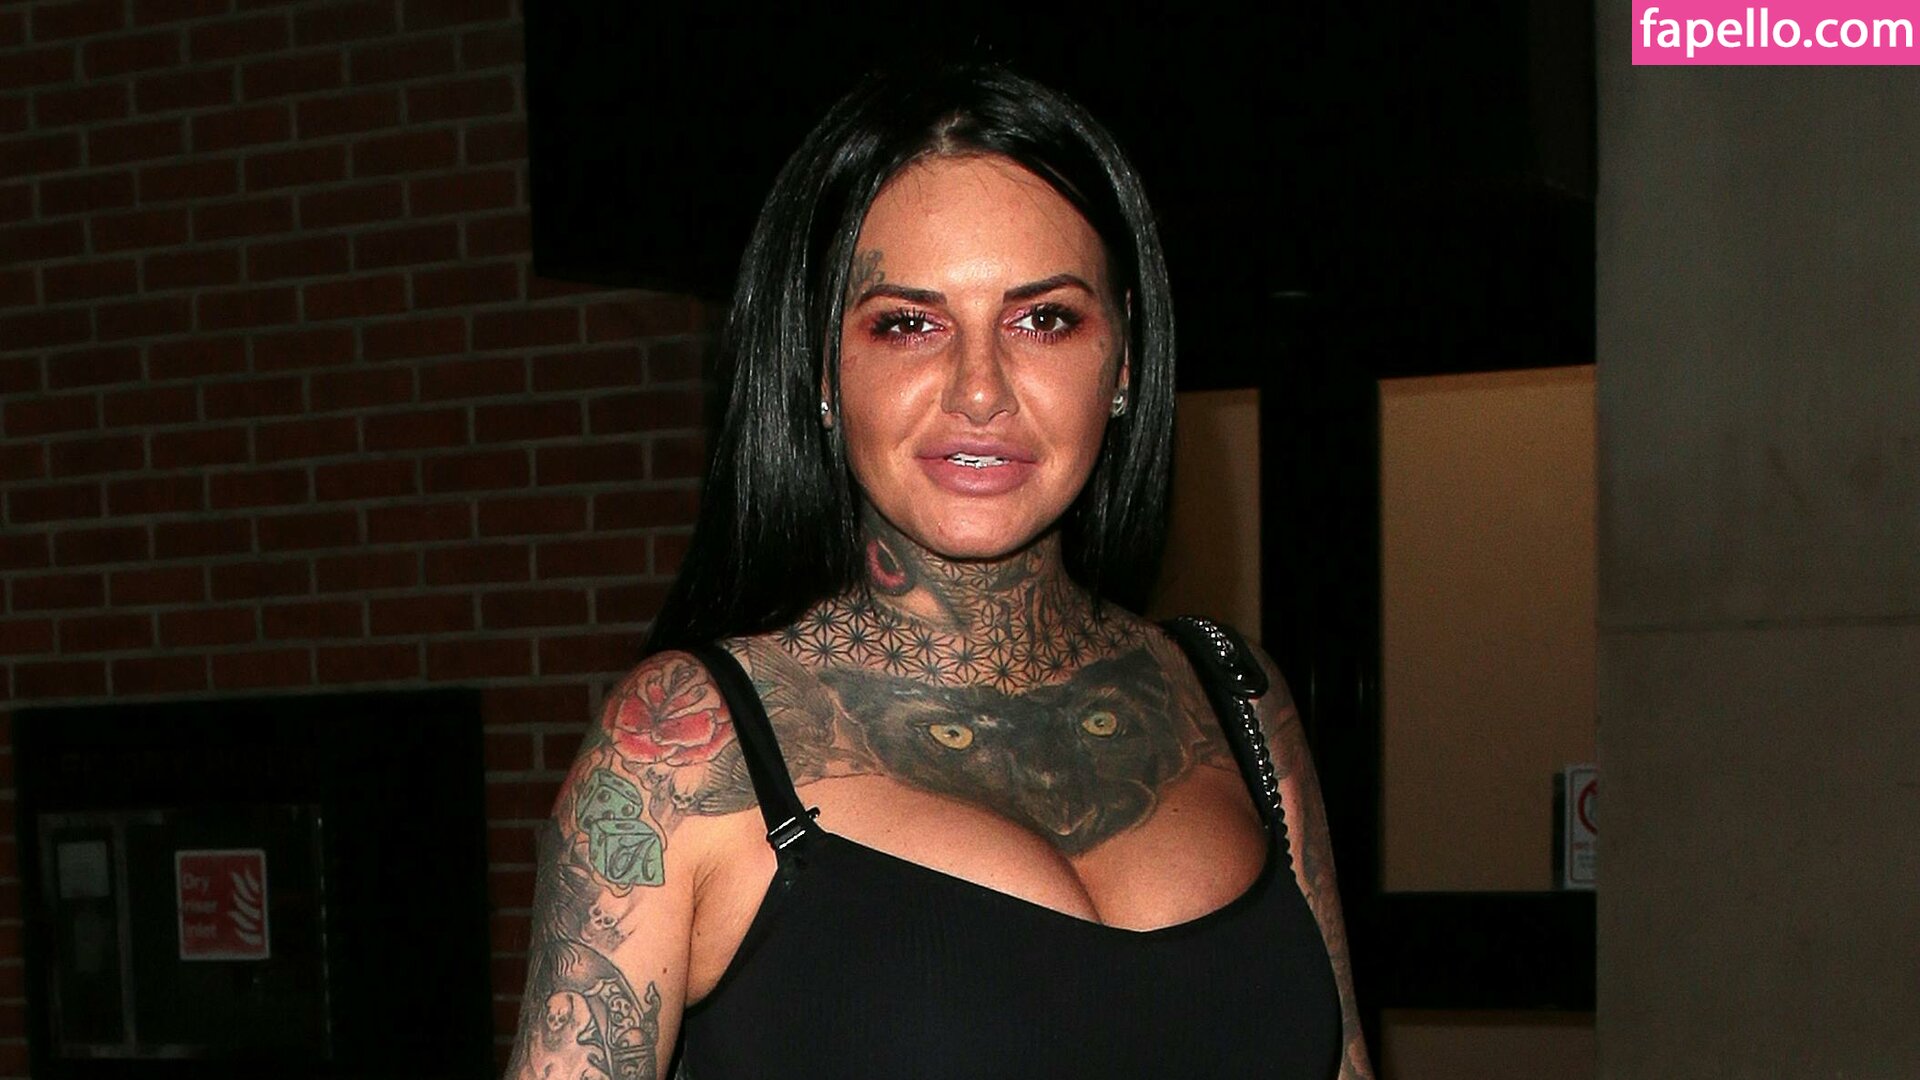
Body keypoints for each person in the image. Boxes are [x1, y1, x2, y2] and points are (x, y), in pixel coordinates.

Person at [505, 64, 1371, 1080]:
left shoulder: (1236, 701)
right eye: (908, 323)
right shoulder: (680, 753)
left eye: (1043, 319)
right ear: (822, 369)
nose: (980, 389)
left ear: (1125, 359)